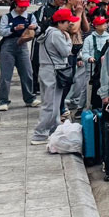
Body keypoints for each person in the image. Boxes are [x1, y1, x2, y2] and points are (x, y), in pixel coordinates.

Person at [31, 8, 80, 144]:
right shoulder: (56, 34)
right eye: (67, 22)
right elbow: (65, 52)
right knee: (51, 105)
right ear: (59, 23)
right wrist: (69, 39)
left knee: (53, 103)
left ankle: (54, 129)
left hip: (48, 70)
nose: (70, 25)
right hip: (53, 71)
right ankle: (40, 134)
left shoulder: (48, 32)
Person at [0, 0, 41, 111]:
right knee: (6, 76)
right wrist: (13, 29)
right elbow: (1, 31)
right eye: (21, 6)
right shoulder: (7, 17)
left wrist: (35, 28)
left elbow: (38, 30)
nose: (23, 9)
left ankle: (29, 99)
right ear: (15, 4)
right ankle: (3, 101)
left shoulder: (30, 17)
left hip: (23, 47)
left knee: (27, 73)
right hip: (8, 47)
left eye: (25, 6)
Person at [80, 16, 109, 112]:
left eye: (105, 23)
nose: (105, 25)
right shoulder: (89, 39)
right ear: (96, 26)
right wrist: (89, 58)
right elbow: (84, 53)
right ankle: (83, 107)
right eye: (103, 23)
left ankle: (103, 109)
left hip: (105, 70)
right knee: (87, 89)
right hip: (91, 70)